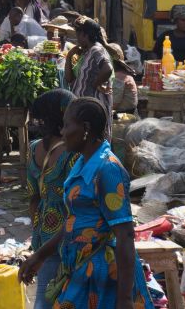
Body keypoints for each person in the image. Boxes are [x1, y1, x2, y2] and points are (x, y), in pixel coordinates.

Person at [19, 97, 153, 309]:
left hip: (104, 273)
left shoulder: (107, 169)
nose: (62, 132)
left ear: (86, 129)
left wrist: (125, 299)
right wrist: (39, 255)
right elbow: (74, 220)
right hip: (80, 268)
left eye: (67, 125)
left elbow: (125, 234)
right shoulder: (82, 162)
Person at [25, 89, 78, 309]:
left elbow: (32, 198)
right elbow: (77, 204)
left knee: (45, 295)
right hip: (67, 235)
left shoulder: (34, 148)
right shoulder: (73, 153)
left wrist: (38, 228)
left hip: (43, 234)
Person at [66, 17, 114, 140]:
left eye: (78, 35)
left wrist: (95, 84)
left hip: (94, 107)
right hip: (84, 107)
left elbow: (107, 68)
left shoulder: (96, 50)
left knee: (95, 139)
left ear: (85, 35)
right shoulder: (87, 52)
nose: (77, 39)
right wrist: (69, 56)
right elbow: (69, 79)